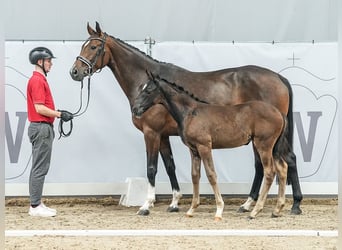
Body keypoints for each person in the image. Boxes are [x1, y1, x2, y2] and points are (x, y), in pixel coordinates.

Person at [26, 47, 73, 217]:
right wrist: (60, 114)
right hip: (41, 127)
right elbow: (39, 108)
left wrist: (57, 112)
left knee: (37, 167)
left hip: (40, 127)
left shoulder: (38, 79)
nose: (51, 64)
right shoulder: (38, 80)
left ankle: (36, 202)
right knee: (40, 168)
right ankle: (35, 206)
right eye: (49, 61)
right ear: (40, 62)